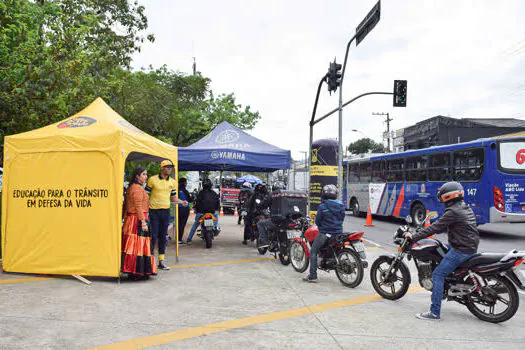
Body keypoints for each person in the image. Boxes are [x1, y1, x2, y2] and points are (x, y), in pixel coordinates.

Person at [404, 181, 479, 321]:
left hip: (461, 249)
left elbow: (435, 228)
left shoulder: (452, 211)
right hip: (467, 245)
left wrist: (413, 237)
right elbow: (450, 225)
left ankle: (434, 313)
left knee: (437, 274)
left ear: (448, 196)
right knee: (439, 247)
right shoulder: (464, 207)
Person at [145, 160, 188, 271]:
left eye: (171, 167)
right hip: (154, 211)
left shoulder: (173, 182)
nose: (169, 169)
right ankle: (150, 261)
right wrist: (146, 202)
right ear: (162, 168)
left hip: (165, 212)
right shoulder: (152, 179)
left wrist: (181, 202)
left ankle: (161, 261)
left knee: (163, 236)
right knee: (153, 236)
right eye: (167, 167)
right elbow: (145, 194)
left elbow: (173, 198)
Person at [303, 184, 345, 283]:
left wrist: (323, 226)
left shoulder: (323, 206)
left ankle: (312, 276)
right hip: (339, 233)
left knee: (313, 251)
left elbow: (317, 221)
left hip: (325, 233)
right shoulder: (341, 205)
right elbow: (342, 218)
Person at [121, 167, 157, 279]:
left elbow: (127, 205)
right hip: (137, 219)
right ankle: (137, 272)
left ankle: (135, 271)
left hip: (132, 219)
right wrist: (143, 222)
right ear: (137, 176)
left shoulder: (132, 187)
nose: (146, 176)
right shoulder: (137, 188)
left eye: (146, 174)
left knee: (134, 246)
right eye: (144, 174)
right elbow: (138, 206)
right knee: (138, 246)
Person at [186, 178, 220, 245]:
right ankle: (215, 227)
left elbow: (197, 203)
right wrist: (216, 209)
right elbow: (217, 202)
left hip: (201, 213)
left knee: (195, 225)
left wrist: (196, 209)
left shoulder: (200, 193)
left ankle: (189, 239)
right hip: (212, 213)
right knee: (216, 217)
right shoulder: (214, 193)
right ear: (211, 185)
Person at [177, 177, 192, 244]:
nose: (186, 183)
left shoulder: (176, 190)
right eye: (186, 182)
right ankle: (179, 240)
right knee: (182, 225)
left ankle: (178, 239)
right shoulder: (185, 191)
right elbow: (190, 199)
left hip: (178, 209)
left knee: (178, 224)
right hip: (184, 209)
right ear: (184, 183)